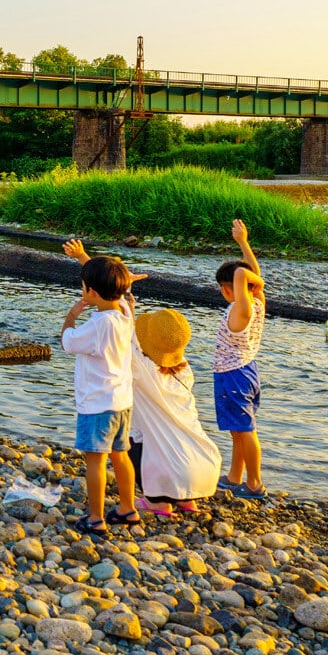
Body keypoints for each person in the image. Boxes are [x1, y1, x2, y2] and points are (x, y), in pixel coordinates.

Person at [60, 254, 140, 535]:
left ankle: (96, 517)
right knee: (121, 455)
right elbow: (124, 292)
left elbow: (68, 342)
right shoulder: (125, 314)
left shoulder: (96, 324)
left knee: (95, 461)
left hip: (97, 404)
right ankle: (127, 509)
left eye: (83, 287)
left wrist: (72, 315)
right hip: (122, 401)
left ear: (91, 292)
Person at [128, 309, 220, 517]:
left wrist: (126, 304)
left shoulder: (144, 372)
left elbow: (127, 340)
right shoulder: (185, 371)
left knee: (130, 436)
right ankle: (185, 499)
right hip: (206, 468)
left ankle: (157, 501)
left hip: (176, 471)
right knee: (168, 437)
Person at [212, 219, 268, 501]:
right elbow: (251, 276)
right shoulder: (257, 302)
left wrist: (248, 276)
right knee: (238, 429)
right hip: (246, 370)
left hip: (233, 374)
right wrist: (243, 243)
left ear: (228, 288)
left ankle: (255, 483)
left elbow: (245, 277)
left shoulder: (241, 308)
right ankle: (235, 476)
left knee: (245, 430)